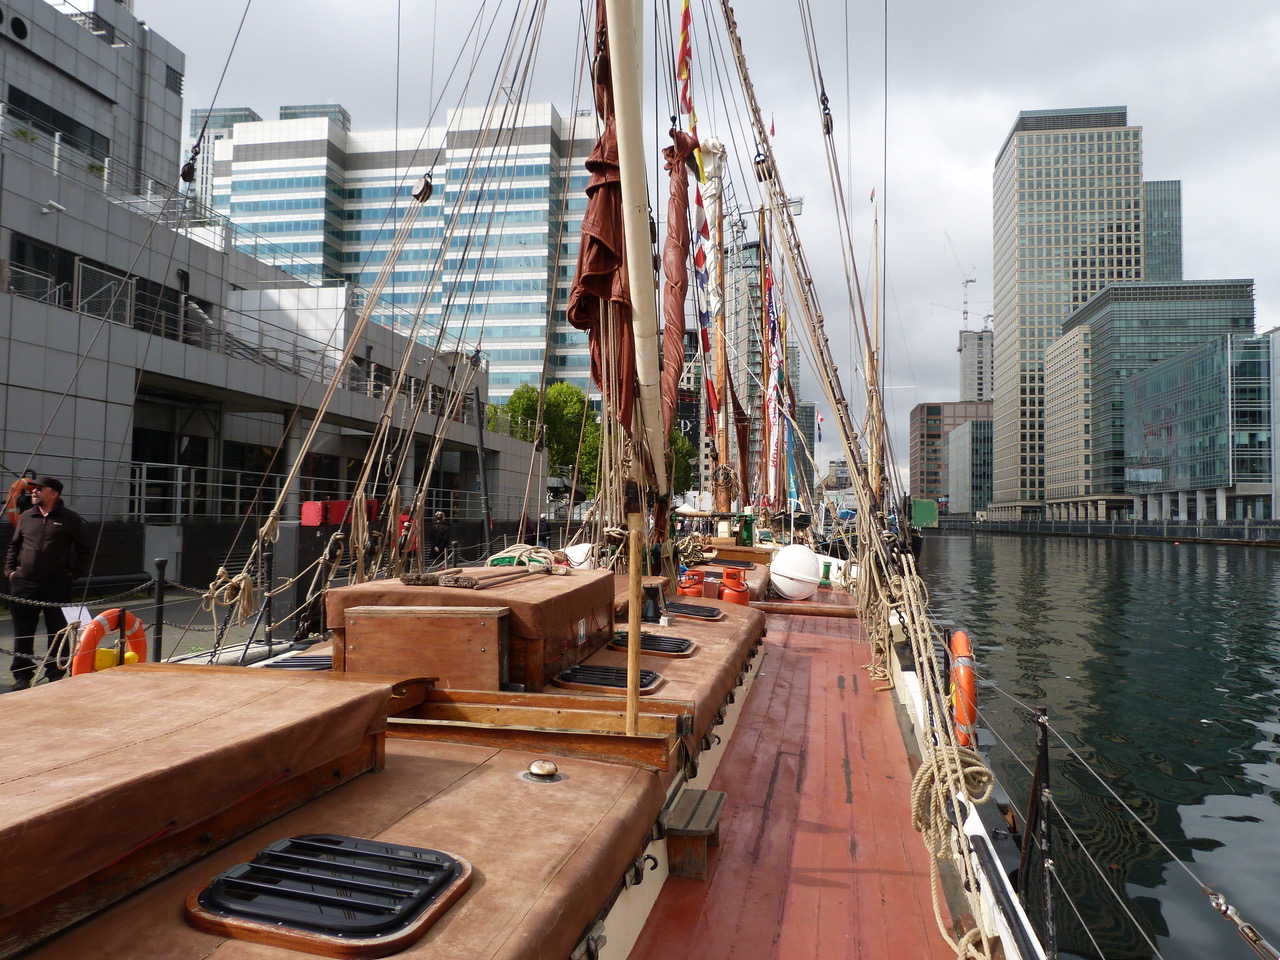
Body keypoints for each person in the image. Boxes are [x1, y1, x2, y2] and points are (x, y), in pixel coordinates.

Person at [4, 477, 92, 689]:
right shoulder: (27, 516)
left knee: (58, 630)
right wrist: (10, 572)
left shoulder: (70, 519)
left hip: (57, 584)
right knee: (23, 630)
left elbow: (84, 549)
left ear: (53, 493)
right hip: (24, 583)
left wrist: (73, 574)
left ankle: (55, 672)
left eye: (39, 489)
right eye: (33, 489)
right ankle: (22, 675)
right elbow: (14, 546)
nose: (34, 492)